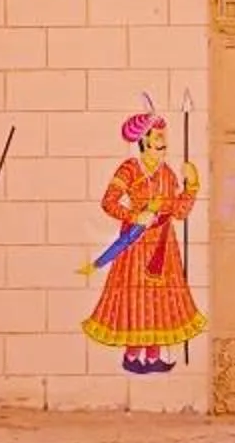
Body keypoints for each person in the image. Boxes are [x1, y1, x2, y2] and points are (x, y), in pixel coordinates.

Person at [81, 104, 203, 374]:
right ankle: (133, 356)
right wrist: (134, 215)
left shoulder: (169, 174)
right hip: (135, 244)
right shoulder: (129, 169)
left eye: (165, 138)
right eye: (158, 138)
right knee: (136, 298)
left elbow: (179, 212)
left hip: (163, 244)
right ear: (144, 140)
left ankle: (153, 357)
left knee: (159, 299)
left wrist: (191, 186)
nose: (163, 144)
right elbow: (108, 202)